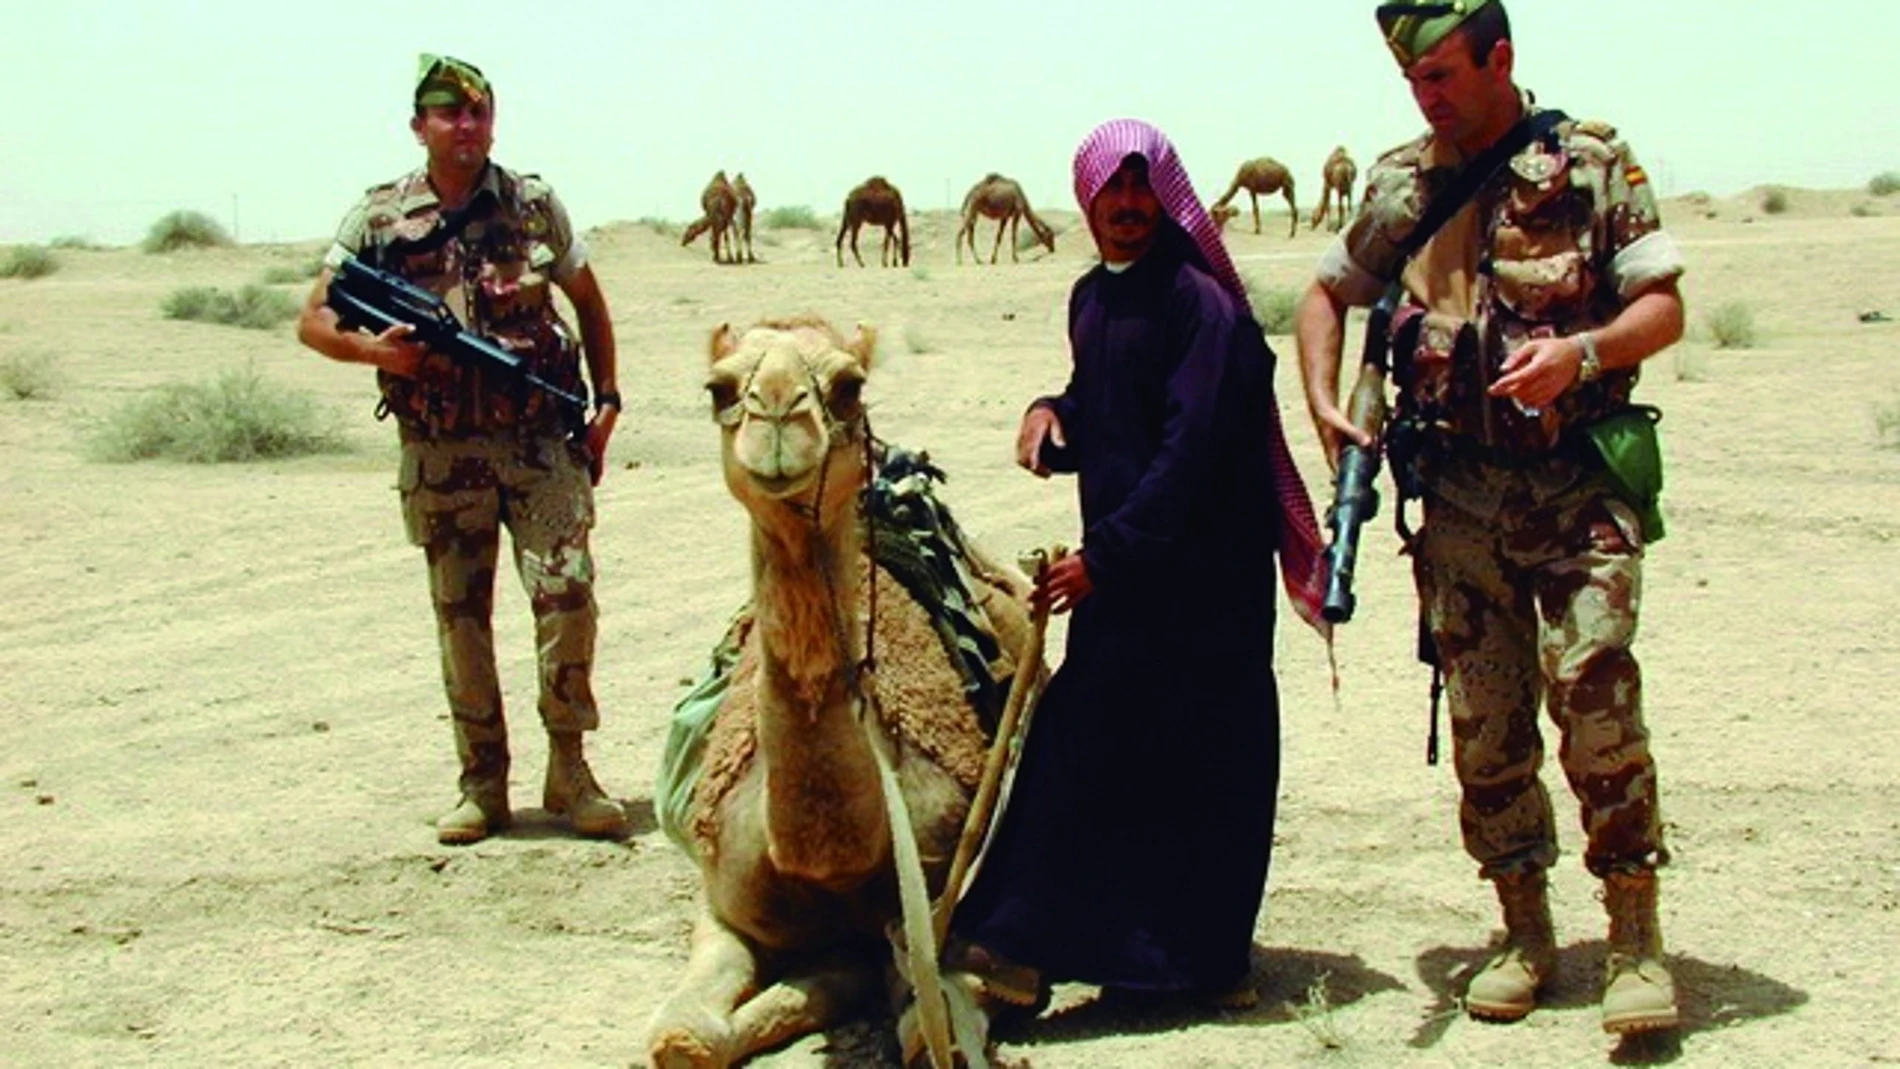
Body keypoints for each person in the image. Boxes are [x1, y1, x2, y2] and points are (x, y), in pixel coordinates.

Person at [1294, 0, 1687, 1034]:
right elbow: (1326, 295)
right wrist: (1325, 403)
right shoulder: (1401, 184)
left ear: (1499, 58)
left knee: (1595, 699)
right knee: (1486, 723)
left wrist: (1581, 354)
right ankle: (1523, 929)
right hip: (1460, 499)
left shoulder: (1589, 164)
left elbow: (1663, 307)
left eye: (1442, 77)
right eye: (1413, 83)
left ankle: (1635, 937)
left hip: (1575, 485)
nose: (1425, 98)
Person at [948, 118, 1327, 1012]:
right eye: (1111, 189)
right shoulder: (1092, 297)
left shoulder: (1201, 305)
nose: (1127, 205)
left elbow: (1190, 451)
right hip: (1131, 570)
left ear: (1165, 195)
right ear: (1087, 199)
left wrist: (1103, 558)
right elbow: (1106, 409)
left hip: (1205, 585)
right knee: (1100, 747)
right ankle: (1058, 950)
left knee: (1194, 761)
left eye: (1141, 187)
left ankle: (1171, 962)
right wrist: (1050, 415)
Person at [296, 55, 626, 846]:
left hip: (540, 442)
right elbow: (313, 319)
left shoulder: (532, 205)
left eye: (479, 112)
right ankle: (482, 784)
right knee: (461, 619)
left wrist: (608, 401)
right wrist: (378, 353)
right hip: (443, 452)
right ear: (420, 126)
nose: (466, 126)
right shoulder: (379, 218)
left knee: (568, 598)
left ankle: (570, 768)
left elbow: (588, 301)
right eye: (449, 113)